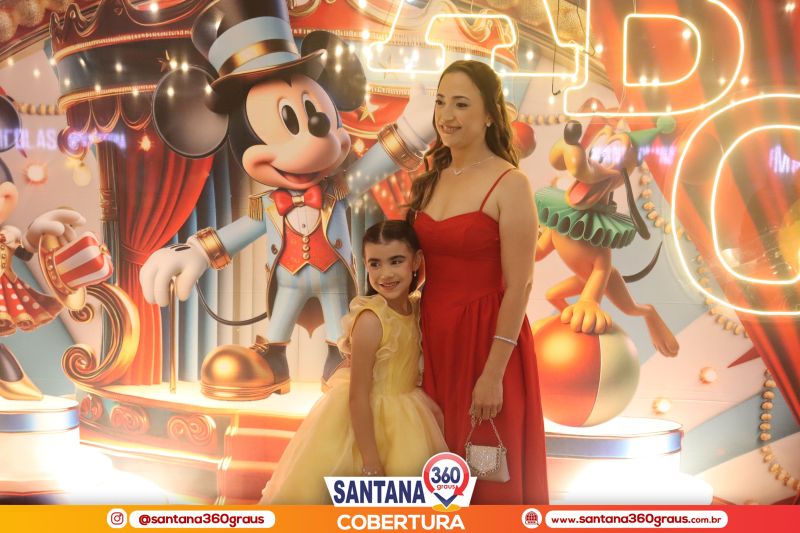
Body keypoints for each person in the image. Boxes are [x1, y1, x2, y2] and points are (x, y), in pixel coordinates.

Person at [408, 60, 549, 504]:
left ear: (490, 113)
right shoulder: (429, 178)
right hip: (433, 340)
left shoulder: (511, 183)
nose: (446, 115)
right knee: (433, 473)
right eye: (440, 102)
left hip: (487, 343)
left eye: (461, 104)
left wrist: (493, 373)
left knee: (484, 473)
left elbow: (521, 285)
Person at [259, 220, 447, 504]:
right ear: (364, 266)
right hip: (366, 419)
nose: (386, 274)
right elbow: (358, 396)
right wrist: (370, 460)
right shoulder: (371, 320)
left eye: (396, 261)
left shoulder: (416, 307)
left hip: (407, 412)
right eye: (375, 264)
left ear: (416, 261)